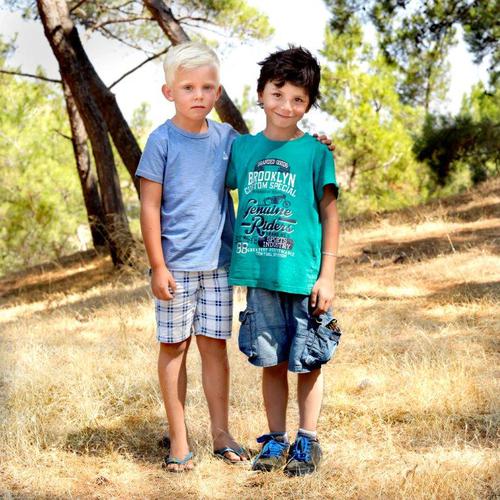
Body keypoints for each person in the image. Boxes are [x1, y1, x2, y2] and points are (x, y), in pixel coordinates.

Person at [226, 46, 341, 477]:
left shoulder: (316, 153)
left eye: (298, 99)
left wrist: (327, 275)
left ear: (308, 104)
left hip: (304, 276)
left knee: (309, 360)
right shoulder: (243, 149)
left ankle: (307, 441)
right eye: (277, 94)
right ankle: (276, 439)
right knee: (271, 360)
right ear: (260, 94)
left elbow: (330, 215)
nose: (286, 106)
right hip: (260, 276)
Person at [136, 41, 248, 472]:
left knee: (215, 348)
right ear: (169, 92)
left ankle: (221, 434)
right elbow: (149, 206)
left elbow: (262, 160)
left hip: (218, 265)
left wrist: (308, 143)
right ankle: (179, 439)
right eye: (187, 87)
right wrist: (158, 265)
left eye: (207, 87)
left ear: (217, 92)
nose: (198, 95)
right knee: (174, 347)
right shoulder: (161, 140)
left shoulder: (226, 138)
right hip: (176, 267)